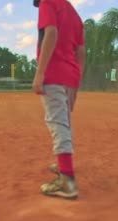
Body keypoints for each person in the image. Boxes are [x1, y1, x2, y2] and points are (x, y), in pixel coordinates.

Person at [32, 0, 85, 200]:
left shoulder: (48, 2)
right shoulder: (73, 12)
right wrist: (76, 82)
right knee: (64, 122)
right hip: (70, 75)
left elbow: (51, 33)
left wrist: (40, 73)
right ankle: (64, 165)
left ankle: (67, 181)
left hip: (54, 73)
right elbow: (81, 52)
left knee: (57, 123)